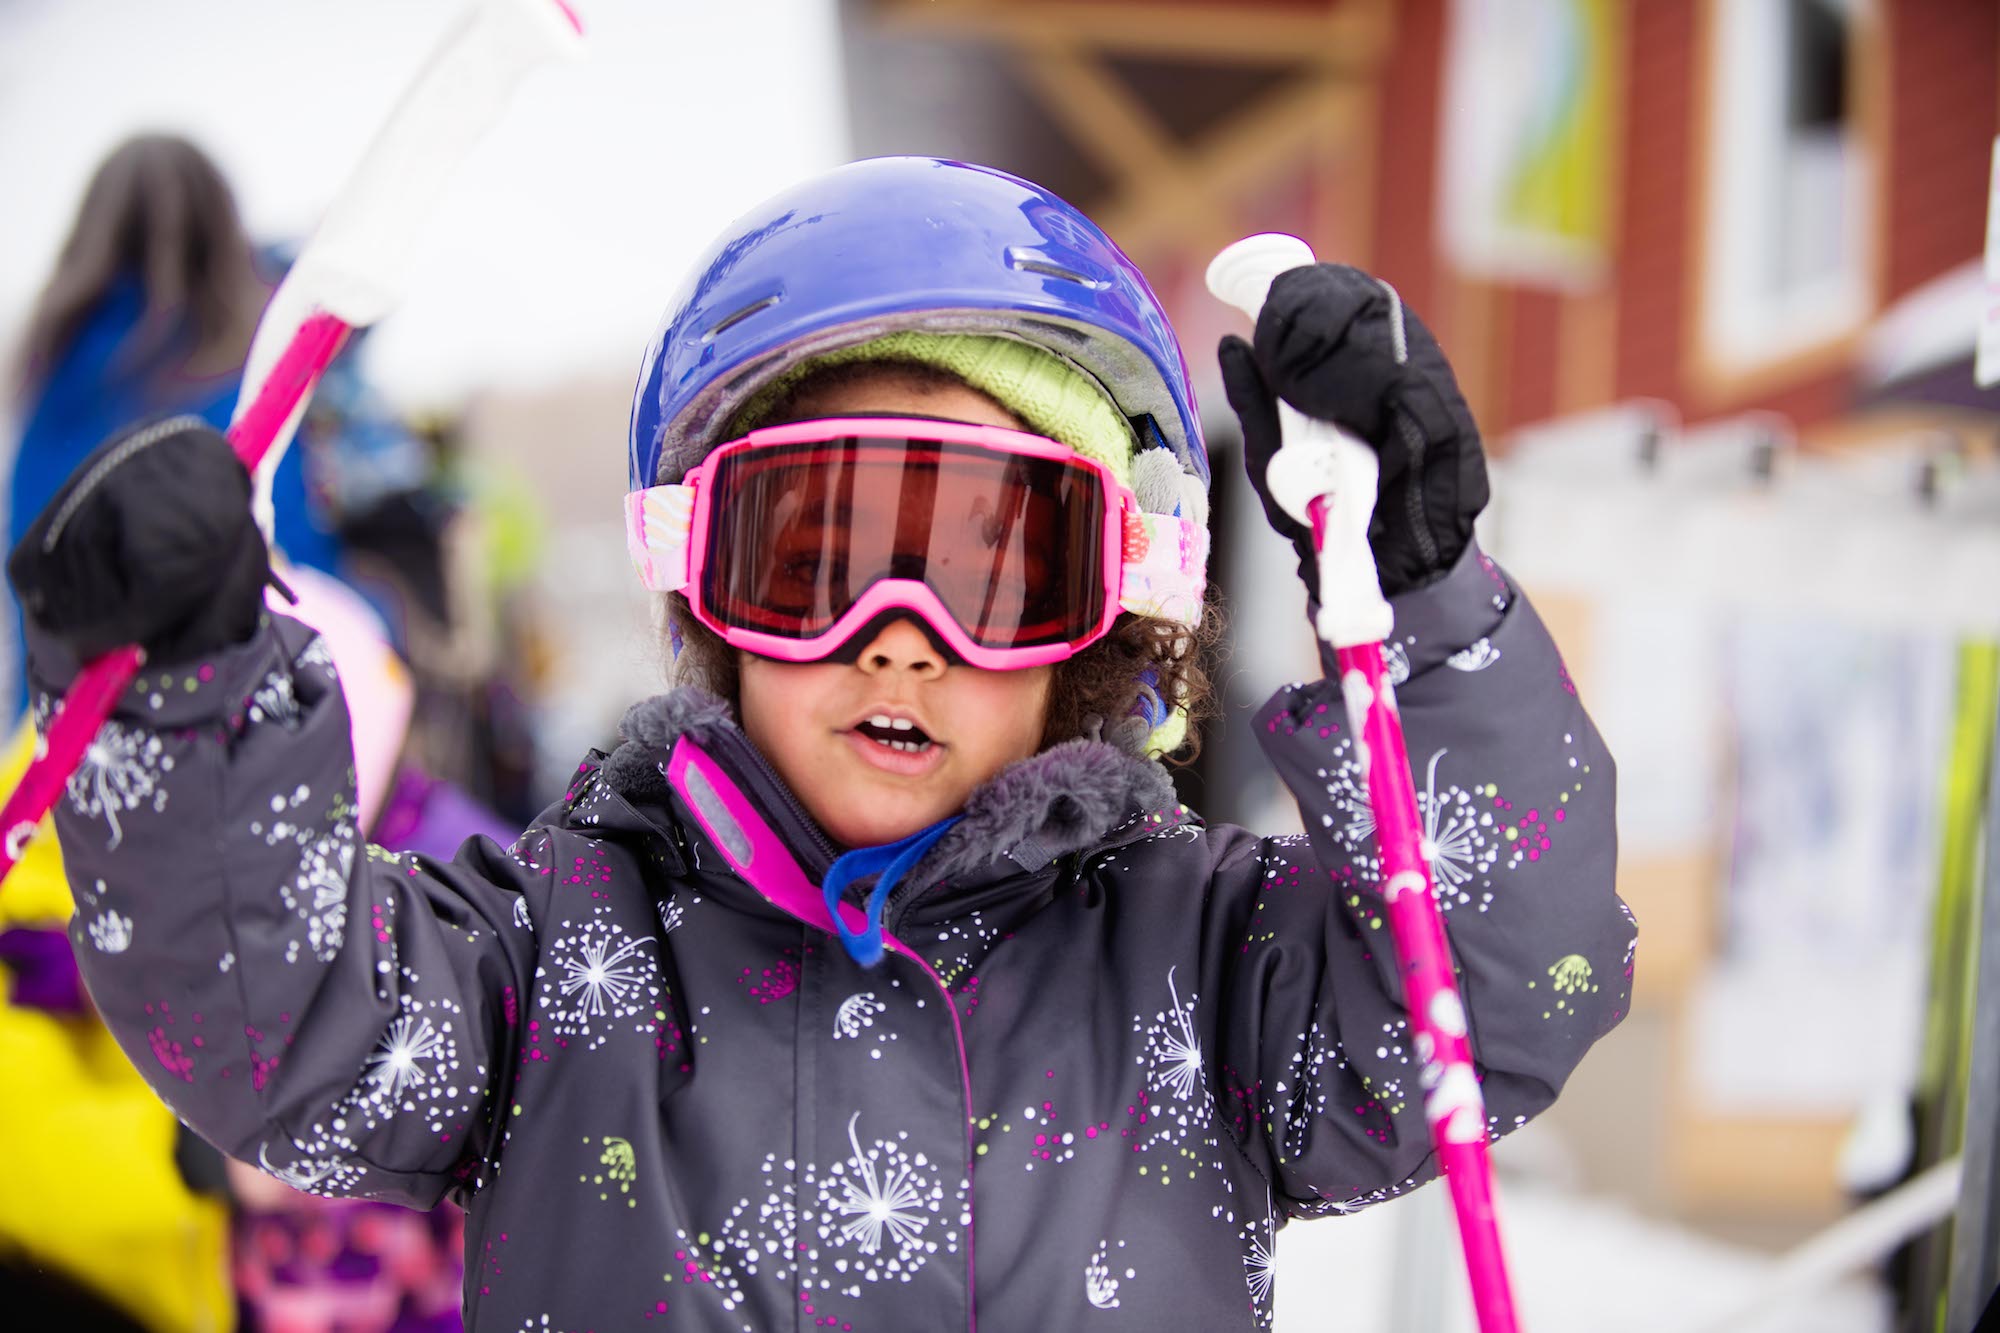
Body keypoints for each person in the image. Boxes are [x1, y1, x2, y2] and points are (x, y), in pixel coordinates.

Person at [10, 157, 1633, 1330]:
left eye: (999, 561)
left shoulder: (1204, 974)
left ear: (1108, 610)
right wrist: (188, 708)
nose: (900, 628)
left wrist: (1421, 604)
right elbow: (270, 1018)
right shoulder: (557, 965)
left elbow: (1493, 999)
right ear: (707, 588)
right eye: (814, 556)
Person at [5, 133, 338, 720]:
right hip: (217, 742)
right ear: (222, 233)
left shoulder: (49, 374)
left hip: (57, 746)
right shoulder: (241, 369)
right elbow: (296, 567)